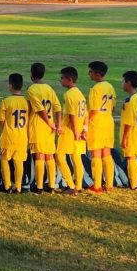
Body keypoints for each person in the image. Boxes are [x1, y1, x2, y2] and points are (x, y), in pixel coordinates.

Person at [27, 63, 61, 194]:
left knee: (39, 156)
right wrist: (57, 124)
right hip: (50, 129)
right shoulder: (49, 88)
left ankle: (39, 187)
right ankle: (51, 185)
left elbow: (40, 110)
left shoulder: (32, 89)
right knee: (49, 156)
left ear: (31, 74)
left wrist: (49, 123)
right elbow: (58, 107)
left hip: (39, 127)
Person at [87, 61, 117, 193]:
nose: (89, 74)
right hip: (108, 123)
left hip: (97, 124)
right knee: (107, 154)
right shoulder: (110, 87)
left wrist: (86, 122)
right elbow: (113, 106)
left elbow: (93, 110)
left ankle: (97, 185)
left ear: (97, 74)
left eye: (91, 72)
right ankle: (109, 185)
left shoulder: (95, 89)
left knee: (96, 155)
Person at [56, 66, 86, 195]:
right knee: (76, 158)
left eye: (62, 78)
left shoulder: (68, 94)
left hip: (70, 131)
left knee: (59, 156)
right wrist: (84, 130)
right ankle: (78, 185)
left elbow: (72, 114)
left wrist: (75, 131)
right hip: (79, 130)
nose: (60, 80)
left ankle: (70, 184)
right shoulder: (80, 94)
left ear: (69, 79)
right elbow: (86, 113)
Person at [0, 74, 29, 194]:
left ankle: (6, 186)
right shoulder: (27, 102)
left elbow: (1, 119)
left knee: (5, 160)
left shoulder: (6, 101)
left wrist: (5, 129)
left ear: (10, 86)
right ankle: (18, 186)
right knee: (19, 161)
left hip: (8, 136)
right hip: (22, 137)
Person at [120, 70, 137, 190]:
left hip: (132, 133)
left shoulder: (130, 101)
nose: (122, 83)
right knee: (134, 157)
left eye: (123, 81)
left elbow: (128, 123)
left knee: (130, 157)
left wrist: (124, 138)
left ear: (128, 83)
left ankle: (134, 184)